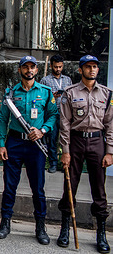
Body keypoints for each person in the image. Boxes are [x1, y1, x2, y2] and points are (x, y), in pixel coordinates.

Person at [0, 55, 58, 244]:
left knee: (38, 189)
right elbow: (3, 120)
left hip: (36, 145)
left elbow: (53, 116)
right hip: (14, 143)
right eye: (25, 67)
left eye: (32, 67)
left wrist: (42, 130)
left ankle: (40, 227)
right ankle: (5, 223)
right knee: (10, 187)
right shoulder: (11, 93)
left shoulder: (46, 92)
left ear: (37, 70)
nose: (29, 70)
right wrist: (0, 144)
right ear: (20, 70)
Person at [57, 55, 112, 253]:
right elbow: (64, 124)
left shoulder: (107, 94)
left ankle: (101, 233)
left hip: (98, 142)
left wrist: (110, 152)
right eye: (88, 67)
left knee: (99, 188)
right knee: (69, 184)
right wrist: (65, 151)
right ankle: (65, 230)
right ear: (80, 70)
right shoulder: (69, 93)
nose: (92, 70)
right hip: (76, 141)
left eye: (95, 67)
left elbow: (110, 125)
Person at [40, 54, 72, 173]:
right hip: (52, 113)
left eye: (60, 67)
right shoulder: (45, 80)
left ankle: (65, 163)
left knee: (65, 139)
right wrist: (51, 96)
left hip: (66, 114)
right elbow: (41, 98)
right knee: (52, 139)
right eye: (55, 67)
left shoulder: (67, 80)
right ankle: (53, 163)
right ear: (51, 66)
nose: (58, 69)